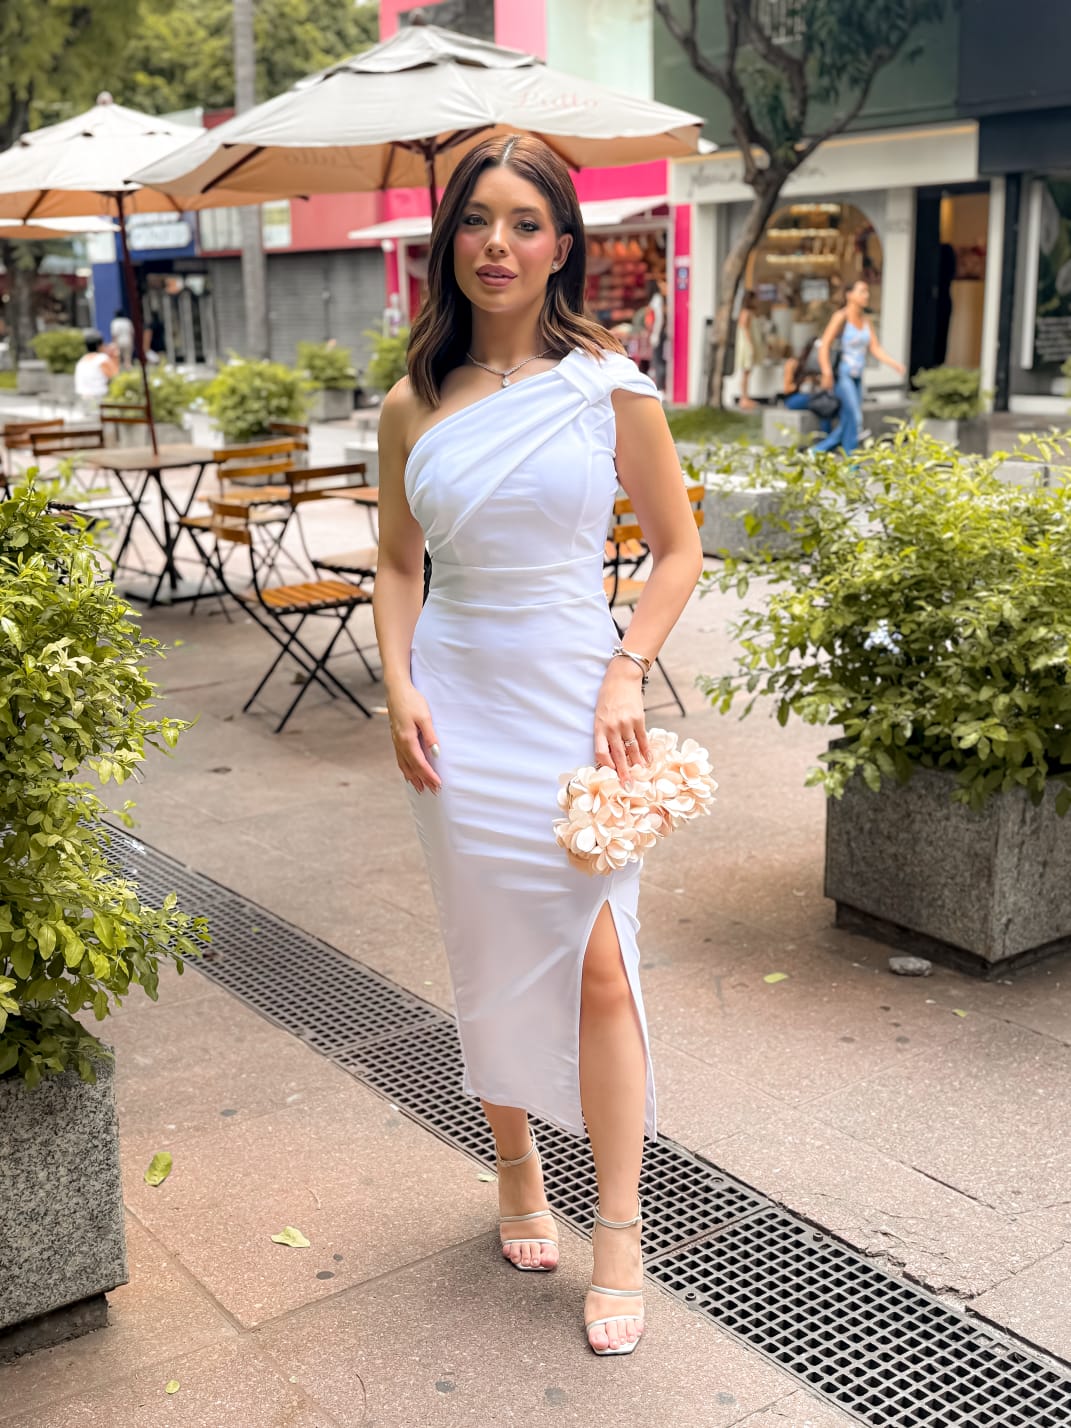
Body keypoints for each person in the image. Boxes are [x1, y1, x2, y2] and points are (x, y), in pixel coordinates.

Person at [373, 133, 703, 1359]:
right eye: (477, 220)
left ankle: (618, 1228)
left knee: (602, 964)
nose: (497, 245)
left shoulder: (609, 386)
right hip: (456, 704)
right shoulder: (412, 403)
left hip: (574, 697)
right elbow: (397, 564)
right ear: (448, 240)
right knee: (491, 948)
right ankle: (515, 1168)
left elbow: (679, 549)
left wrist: (627, 669)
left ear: (563, 245)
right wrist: (397, 687)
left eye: (524, 223)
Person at [815, 280, 905, 455]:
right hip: (843, 374)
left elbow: (875, 348)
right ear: (849, 295)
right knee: (855, 418)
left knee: (848, 421)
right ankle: (825, 451)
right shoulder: (841, 317)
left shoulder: (866, 321)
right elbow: (824, 345)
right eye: (862, 291)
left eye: (867, 291)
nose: (866, 295)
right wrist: (826, 372)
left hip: (857, 376)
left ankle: (846, 460)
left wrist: (894, 364)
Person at [73, 330, 117, 416]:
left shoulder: (81, 361)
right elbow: (115, 376)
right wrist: (115, 356)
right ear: (99, 346)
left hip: (82, 400)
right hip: (99, 399)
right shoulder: (102, 359)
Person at [733, 289, 764, 410]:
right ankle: (744, 398)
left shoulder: (748, 312)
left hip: (747, 345)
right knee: (746, 373)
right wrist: (751, 346)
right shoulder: (746, 313)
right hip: (747, 346)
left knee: (747, 373)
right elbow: (745, 329)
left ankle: (745, 397)